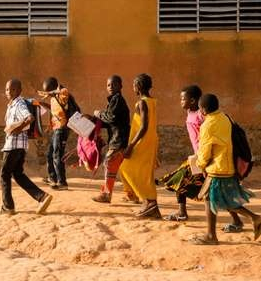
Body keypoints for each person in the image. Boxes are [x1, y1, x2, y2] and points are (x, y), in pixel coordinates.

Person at [158, 86, 245, 230]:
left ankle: (237, 221)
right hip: (198, 159)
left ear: (193, 101)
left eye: (183, 99)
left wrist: (205, 161)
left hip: (206, 160)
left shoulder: (201, 114)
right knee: (179, 180)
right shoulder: (190, 112)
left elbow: (209, 133)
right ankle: (182, 212)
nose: (180, 101)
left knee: (216, 192)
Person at [192, 93, 261, 244]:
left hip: (217, 168)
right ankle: (251, 219)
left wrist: (199, 164)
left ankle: (212, 236)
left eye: (200, 109)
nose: (200, 112)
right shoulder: (224, 117)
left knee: (209, 198)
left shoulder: (208, 125)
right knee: (223, 198)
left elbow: (205, 151)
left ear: (204, 109)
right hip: (228, 165)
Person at [0, 79, 54, 215]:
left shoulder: (19, 104)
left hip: (13, 146)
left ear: (19, 91)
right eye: (6, 89)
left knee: (4, 175)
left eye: (12, 89)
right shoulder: (11, 105)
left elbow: (29, 118)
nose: (8, 92)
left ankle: (8, 206)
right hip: (20, 146)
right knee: (18, 174)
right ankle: (41, 196)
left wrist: (18, 128)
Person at [119, 74, 161, 218]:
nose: (133, 88)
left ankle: (150, 202)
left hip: (143, 141)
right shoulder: (152, 101)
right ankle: (149, 203)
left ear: (138, 86)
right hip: (150, 140)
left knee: (127, 168)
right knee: (144, 173)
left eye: (134, 85)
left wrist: (131, 146)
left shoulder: (142, 103)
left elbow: (143, 127)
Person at [91, 75, 131, 203]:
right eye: (108, 85)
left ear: (120, 86)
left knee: (109, 163)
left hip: (118, 139)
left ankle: (107, 194)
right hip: (119, 138)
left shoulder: (117, 100)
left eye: (114, 84)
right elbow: (110, 121)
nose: (111, 87)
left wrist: (98, 114)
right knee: (124, 168)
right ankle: (132, 194)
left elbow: (111, 118)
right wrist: (94, 122)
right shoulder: (114, 100)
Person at [37, 77, 75, 190]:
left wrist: (51, 93)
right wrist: (43, 104)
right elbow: (55, 109)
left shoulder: (63, 92)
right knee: (50, 154)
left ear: (55, 87)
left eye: (49, 90)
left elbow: (64, 91)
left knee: (57, 155)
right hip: (55, 129)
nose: (48, 92)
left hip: (62, 128)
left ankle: (62, 182)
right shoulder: (54, 97)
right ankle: (52, 178)